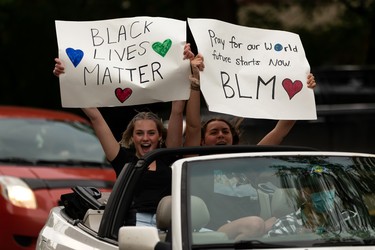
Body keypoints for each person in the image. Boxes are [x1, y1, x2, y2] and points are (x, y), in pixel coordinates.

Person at [52, 45, 204, 227]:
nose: (145, 138)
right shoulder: (123, 160)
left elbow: (177, 109)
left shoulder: (167, 157)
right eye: (139, 133)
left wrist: (185, 67)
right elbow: (95, 116)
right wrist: (68, 78)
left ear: (160, 137)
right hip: (135, 224)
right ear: (132, 137)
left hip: (171, 223)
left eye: (151, 133)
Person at [182, 46, 317, 240]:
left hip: (256, 229)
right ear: (202, 142)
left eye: (225, 131)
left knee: (297, 224)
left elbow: (281, 130)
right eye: (214, 132)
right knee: (255, 223)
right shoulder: (196, 162)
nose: (220, 135)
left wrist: (304, 90)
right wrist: (195, 85)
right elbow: (193, 126)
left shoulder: (246, 162)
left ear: (233, 139)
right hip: (212, 233)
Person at [266, 166, 358, 237]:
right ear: (302, 193)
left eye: (328, 187)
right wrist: (302, 237)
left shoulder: (349, 219)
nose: (324, 193)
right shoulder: (285, 224)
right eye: (316, 188)